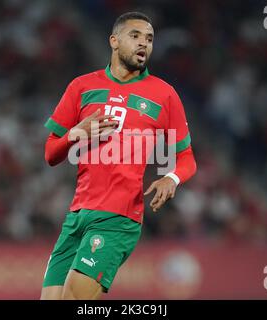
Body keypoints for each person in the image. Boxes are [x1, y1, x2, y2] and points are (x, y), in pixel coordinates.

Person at [40, 11, 197, 300]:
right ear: (114, 40)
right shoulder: (82, 86)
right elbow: (51, 153)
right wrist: (76, 133)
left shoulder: (164, 95)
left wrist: (171, 178)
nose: (144, 44)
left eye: (149, 39)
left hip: (118, 217)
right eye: (135, 36)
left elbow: (186, 157)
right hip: (78, 215)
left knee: (74, 297)